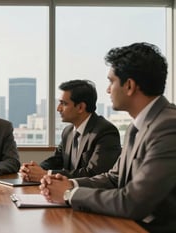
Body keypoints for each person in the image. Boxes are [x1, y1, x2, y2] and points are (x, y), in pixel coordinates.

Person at [39, 42, 176, 233]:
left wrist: (70, 194)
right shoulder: (137, 126)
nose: (108, 90)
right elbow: (114, 178)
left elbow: (133, 202)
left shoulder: (168, 126)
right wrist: (69, 183)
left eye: (111, 81)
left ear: (129, 86)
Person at [20, 79, 121, 182]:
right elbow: (56, 160)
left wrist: (46, 174)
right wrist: (33, 170)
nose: (58, 109)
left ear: (80, 107)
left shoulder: (105, 131)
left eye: (63, 104)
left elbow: (94, 173)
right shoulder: (67, 132)